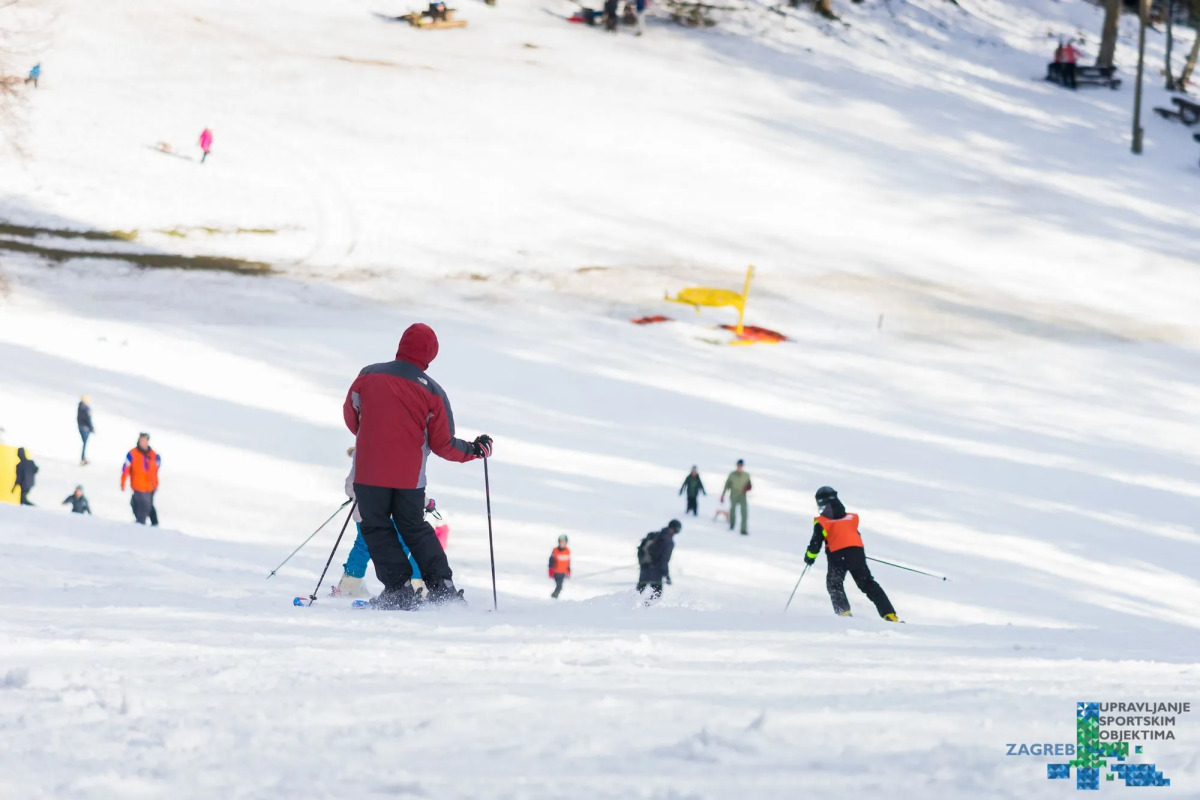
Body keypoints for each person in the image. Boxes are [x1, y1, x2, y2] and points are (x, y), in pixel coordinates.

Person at [343, 322, 491, 609]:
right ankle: (442, 588)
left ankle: (398, 590)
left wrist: (374, 435)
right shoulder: (433, 392)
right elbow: (443, 445)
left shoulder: (367, 375)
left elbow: (352, 418)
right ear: (429, 354)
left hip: (369, 472)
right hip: (409, 478)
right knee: (414, 527)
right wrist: (474, 450)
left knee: (376, 527)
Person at [334, 446, 445, 599]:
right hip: (394, 514)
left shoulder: (363, 451)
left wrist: (358, 495)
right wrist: (426, 503)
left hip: (365, 513)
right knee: (409, 545)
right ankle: (414, 584)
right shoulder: (398, 451)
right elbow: (408, 488)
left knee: (362, 546)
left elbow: (350, 485)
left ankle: (349, 583)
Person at [803, 486, 899, 622]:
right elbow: (854, 536)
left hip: (837, 557)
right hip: (857, 554)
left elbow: (815, 545)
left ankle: (844, 614)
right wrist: (857, 555)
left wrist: (809, 558)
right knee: (868, 585)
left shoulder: (822, 522)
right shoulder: (850, 518)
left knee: (834, 584)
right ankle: (890, 615)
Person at [121, 433, 161, 525]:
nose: (143, 442)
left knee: (148, 506)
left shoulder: (153, 454)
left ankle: (153, 523)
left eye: (145, 440)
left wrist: (155, 484)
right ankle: (140, 524)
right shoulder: (132, 453)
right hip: (138, 486)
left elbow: (155, 471)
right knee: (140, 506)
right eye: (141, 440)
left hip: (150, 487)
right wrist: (123, 482)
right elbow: (125, 469)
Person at [636, 519, 680, 600]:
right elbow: (664, 560)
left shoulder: (657, 535)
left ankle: (626, 608)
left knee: (637, 593)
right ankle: (646, 611)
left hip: (645, 566)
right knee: (656, 595)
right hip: (656, 571)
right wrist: (666, 575)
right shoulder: (668, 541)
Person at [720, 459, 751, 535]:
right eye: (738, 465)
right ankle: (732, 525)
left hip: (742, 495)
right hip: (733, 494)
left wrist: (748, 487)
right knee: (732, 511)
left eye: (740, 466)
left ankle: (743, 529)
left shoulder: (746, 475)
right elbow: (727, 485)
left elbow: (749, 484)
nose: (739, 467)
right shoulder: (732, 475)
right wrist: (723, 495)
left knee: (744, 512)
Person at [77, 396, 95, 465]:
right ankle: (83, 458)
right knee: (85, 444)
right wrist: (91, 428)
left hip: (81, 427)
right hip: (85, 428)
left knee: (84, 444)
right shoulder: (86, 408)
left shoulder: (80, 407)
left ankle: (83, 458)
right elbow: (88, 419)